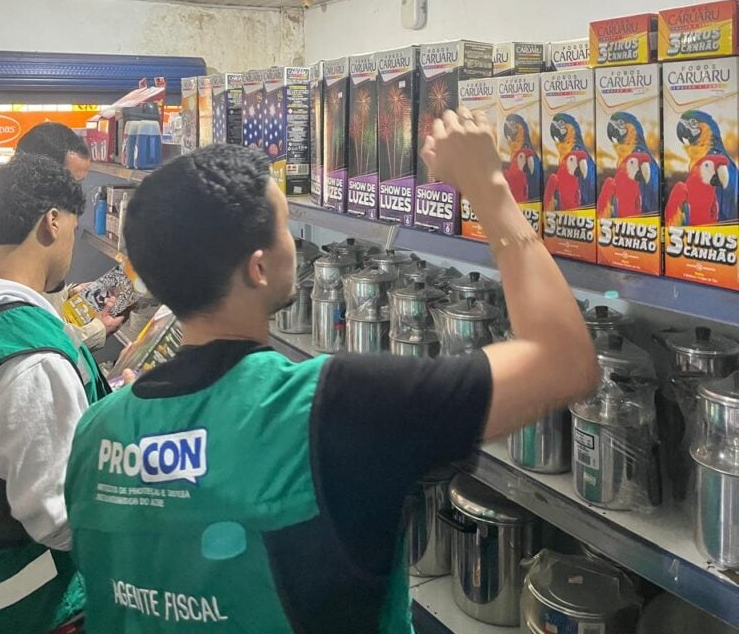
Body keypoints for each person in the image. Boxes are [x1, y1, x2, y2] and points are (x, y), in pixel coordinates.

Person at [65, 110, 600, 634]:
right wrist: (488, 188)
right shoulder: (331, 409)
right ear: (259, 267)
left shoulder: (97, 432)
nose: (294, 243)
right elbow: (563, 362)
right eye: (284, 228)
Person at [0, 154, 109, 634]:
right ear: (52, 221)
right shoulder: (30, 358)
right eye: (73, 226)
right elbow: (57, 517)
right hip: (31, 606)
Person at [0, 122, 125, 348]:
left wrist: (66, 297)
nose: (73, 194)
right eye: (70, 182)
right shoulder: (0, 238)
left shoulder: (10, 224)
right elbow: (22, 336)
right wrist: (95, 331)